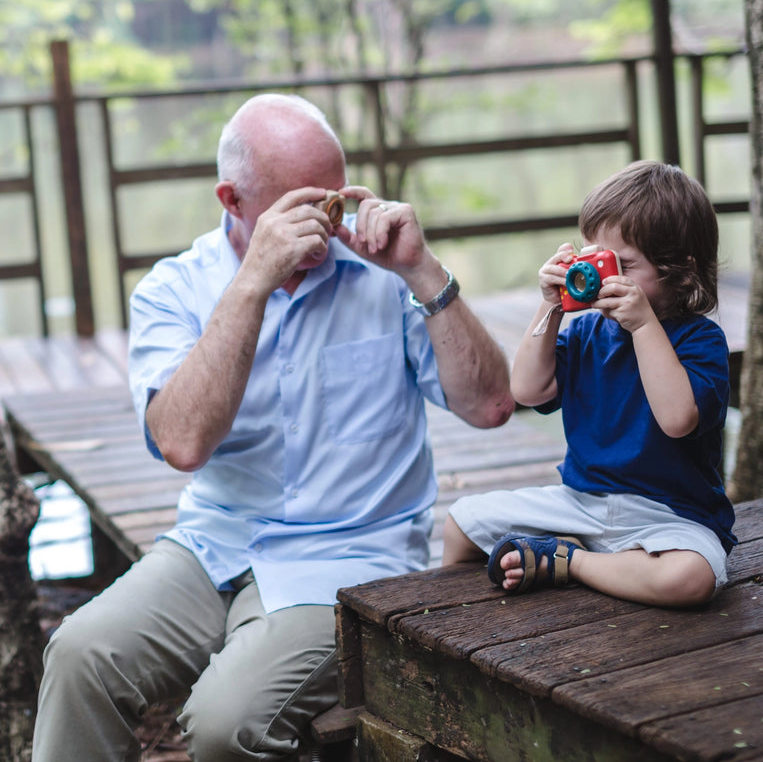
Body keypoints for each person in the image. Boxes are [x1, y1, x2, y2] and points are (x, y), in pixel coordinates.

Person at [32, 93, 514, 762]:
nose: (323, 222)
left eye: (334, 199)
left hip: (348, 555)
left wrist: (422, 270)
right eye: (298, 206)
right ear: (232, 201)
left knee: (227, 722)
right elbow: (180, 442)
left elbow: (490, 406)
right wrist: (253, 282)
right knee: (79, 655)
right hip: (215, 544)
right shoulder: (174, 289)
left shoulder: (385, 275)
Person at [442, 160, 734, 608]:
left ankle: (569, 561)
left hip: (670, 515)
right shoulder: (584, 333)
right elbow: (527, 390)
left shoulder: (700, 339)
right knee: (460, 525)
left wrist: (642, 326)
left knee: (689, 579)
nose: (604, 275)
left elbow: (678, 420)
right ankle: (448, 621)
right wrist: (551, 307)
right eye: (594, 257)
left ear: (682, 270)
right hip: (579, 502)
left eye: (624, 265)